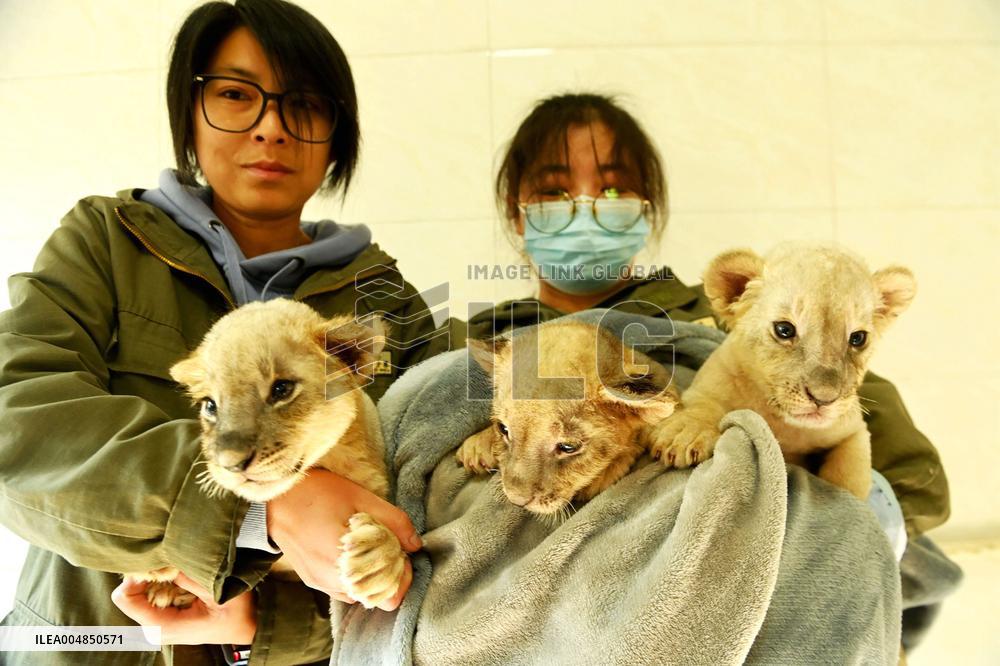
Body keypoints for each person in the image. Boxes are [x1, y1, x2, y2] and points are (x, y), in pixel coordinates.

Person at [0, 1, 435, 664]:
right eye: (235, 95)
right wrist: (261, 513)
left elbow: (432, 533)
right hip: (93, 643)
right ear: (188, 110)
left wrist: (262, 621)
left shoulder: (385, 302)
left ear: (337, 133)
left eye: (305, 105)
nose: (271, 128)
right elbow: (16, 428)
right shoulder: (105, 244)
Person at [443, 92, 957, 652]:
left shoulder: (721, 319)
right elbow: (439, 490)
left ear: (647, 207)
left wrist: (796, 511)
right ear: (517, 213)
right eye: (553, 191)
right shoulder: (483, 345)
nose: (585, 207)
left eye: (613, 191)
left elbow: (914, 481)